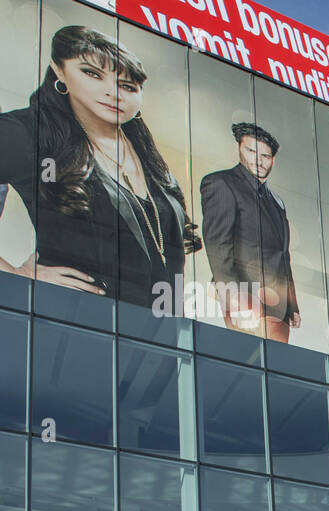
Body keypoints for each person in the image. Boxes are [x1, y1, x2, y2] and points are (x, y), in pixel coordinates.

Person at [0, 26, 199, 310]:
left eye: (127, 86)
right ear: (59, 71)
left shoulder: (146, 152)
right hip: (74, 327)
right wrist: (15, 275)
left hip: (156, 338)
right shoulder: (29, 133)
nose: (113, 93)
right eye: (92, 73)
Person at [200, 122, 301, 342]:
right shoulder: (221, 183)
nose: (258, 160)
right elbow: (218, 243)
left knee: (276, 369)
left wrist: (291, 303)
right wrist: (234, 298)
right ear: (239, 149)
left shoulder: (276, 201)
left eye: (265, 155)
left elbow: (283, 255)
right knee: (250, 364)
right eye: (251, 151)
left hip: (278, 304)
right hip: (246, 297)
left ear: (273, 160)